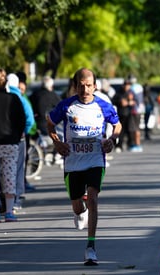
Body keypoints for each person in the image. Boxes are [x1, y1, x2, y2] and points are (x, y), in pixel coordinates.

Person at [46, 68, 122, 266]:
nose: (85, 89)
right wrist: (56, 142)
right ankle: (79, 211)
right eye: (81, 85)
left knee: (94, 199)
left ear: (95, 86)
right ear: (75, 86)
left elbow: (117, 124)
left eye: (89, 85)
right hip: (73, 162)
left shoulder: (103, 106)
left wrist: (112, 139)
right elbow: (50, 122)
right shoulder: (66, 106)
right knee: (78, 205)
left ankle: (91, 247)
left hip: (96, 159)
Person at [0, 68, 26, 223]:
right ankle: (9, 211)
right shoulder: (13, 98)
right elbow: (21, 120)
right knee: (9, 178)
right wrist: (16, 136)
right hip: (10, 142)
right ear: (5, 82)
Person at [7, 73, 35, 209]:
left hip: (4, 138)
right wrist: (24, 131)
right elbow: (29, 118)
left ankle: (5, 201)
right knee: (18, 169)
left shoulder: (5, 95)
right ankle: (16, 198)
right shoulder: (20, 98)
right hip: (19, 137)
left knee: (5, 171)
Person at [127, 74, 144, 152]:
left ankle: (136, 144)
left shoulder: (131, 88)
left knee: (134, 128)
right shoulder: (139, 87)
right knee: (137, 128)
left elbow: (130, 98)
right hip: (140, 109)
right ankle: (138, 144)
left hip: (134, 110)